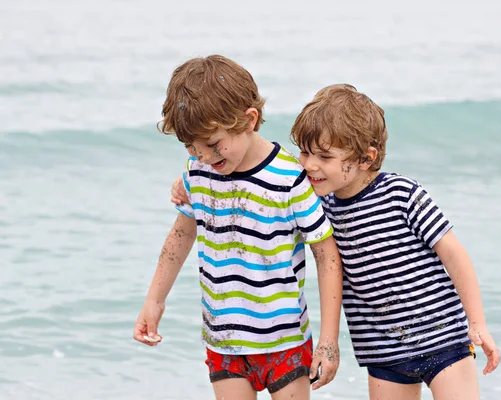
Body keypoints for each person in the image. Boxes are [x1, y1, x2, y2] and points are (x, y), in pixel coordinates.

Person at [172, 83, 501, 400]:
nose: (309, 165)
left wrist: (477, 323)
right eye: (304, 152)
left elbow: (454, 254)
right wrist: (189, 181)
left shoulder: (403, 195)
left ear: (365, 158)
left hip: (443, 337)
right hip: (383, 352)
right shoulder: (318, 207)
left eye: (324, 157)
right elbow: (264, 179)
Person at [134, 55, 344, 400]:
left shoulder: (289, 178)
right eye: (190, 146)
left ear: (249, 120)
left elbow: (326, 254)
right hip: (224, 339)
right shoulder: (197, 171)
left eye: (213, 144)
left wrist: (328, 340)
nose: (202, 156)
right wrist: (154, 300)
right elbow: (181, 235)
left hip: (284, 339)